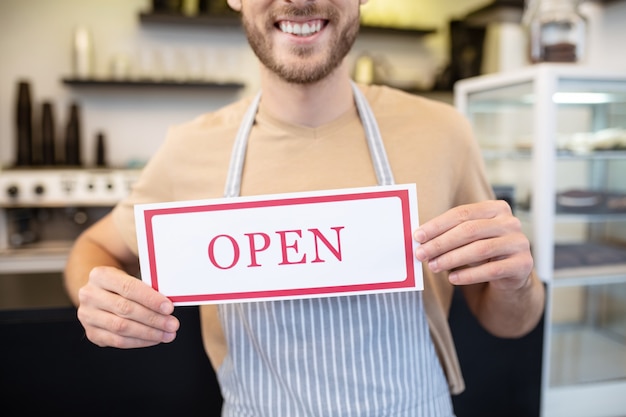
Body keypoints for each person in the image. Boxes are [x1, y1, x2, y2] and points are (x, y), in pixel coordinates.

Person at [64, 0, 545, 416]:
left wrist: (518, 281)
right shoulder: (188, 149)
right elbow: (94, 246)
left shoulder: (445, 133)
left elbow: (509, 320)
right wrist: (99, 297)